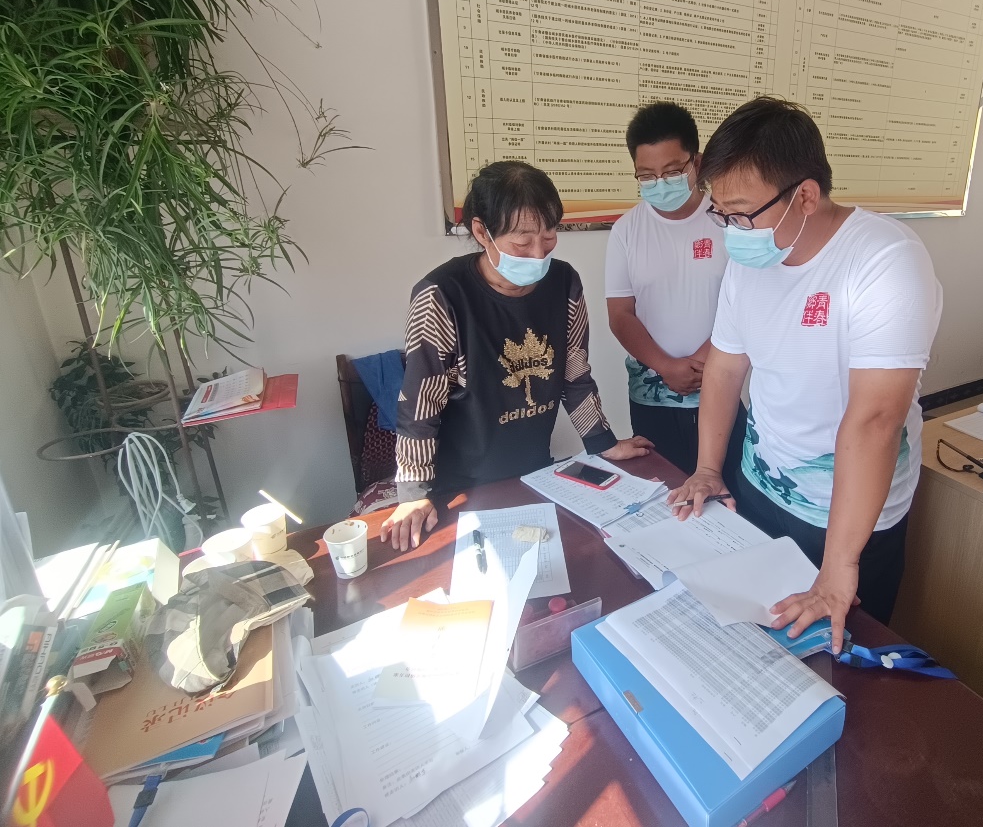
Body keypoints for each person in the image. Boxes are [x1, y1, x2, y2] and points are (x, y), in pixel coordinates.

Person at [668, 98, 942, 653]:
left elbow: (876, 419)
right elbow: (725, 368)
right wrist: (708, 469)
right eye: (721, 215)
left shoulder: (884, 260)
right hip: (760, 485)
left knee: (835, 661)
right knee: (750, 644)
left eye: (741, 214)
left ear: (806, 196)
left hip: (846, 521)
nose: (731, 232)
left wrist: (839, 569)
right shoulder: (751, 262)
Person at [383, 161, 652, 550]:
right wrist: (414, 492)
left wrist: (602, 441)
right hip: (458, 485)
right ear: (482, 232)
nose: (538, 254)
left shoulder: (564, 283)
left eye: (549, 236)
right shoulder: (441, 296)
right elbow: (421, 403)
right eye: (522, 242)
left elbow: (574, 373)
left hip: (534, 469)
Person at [605, 102, 732, 476]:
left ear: (697, 163)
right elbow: (620, 315)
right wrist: (666, 367)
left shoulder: (729, 223)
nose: (660, 184)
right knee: (661, 490)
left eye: (673, 172)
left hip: (720, 385)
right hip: (651, 395)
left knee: (723, 489)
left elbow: (744, 306)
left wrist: (702, 361)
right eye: (646, 176)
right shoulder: (626, 231)